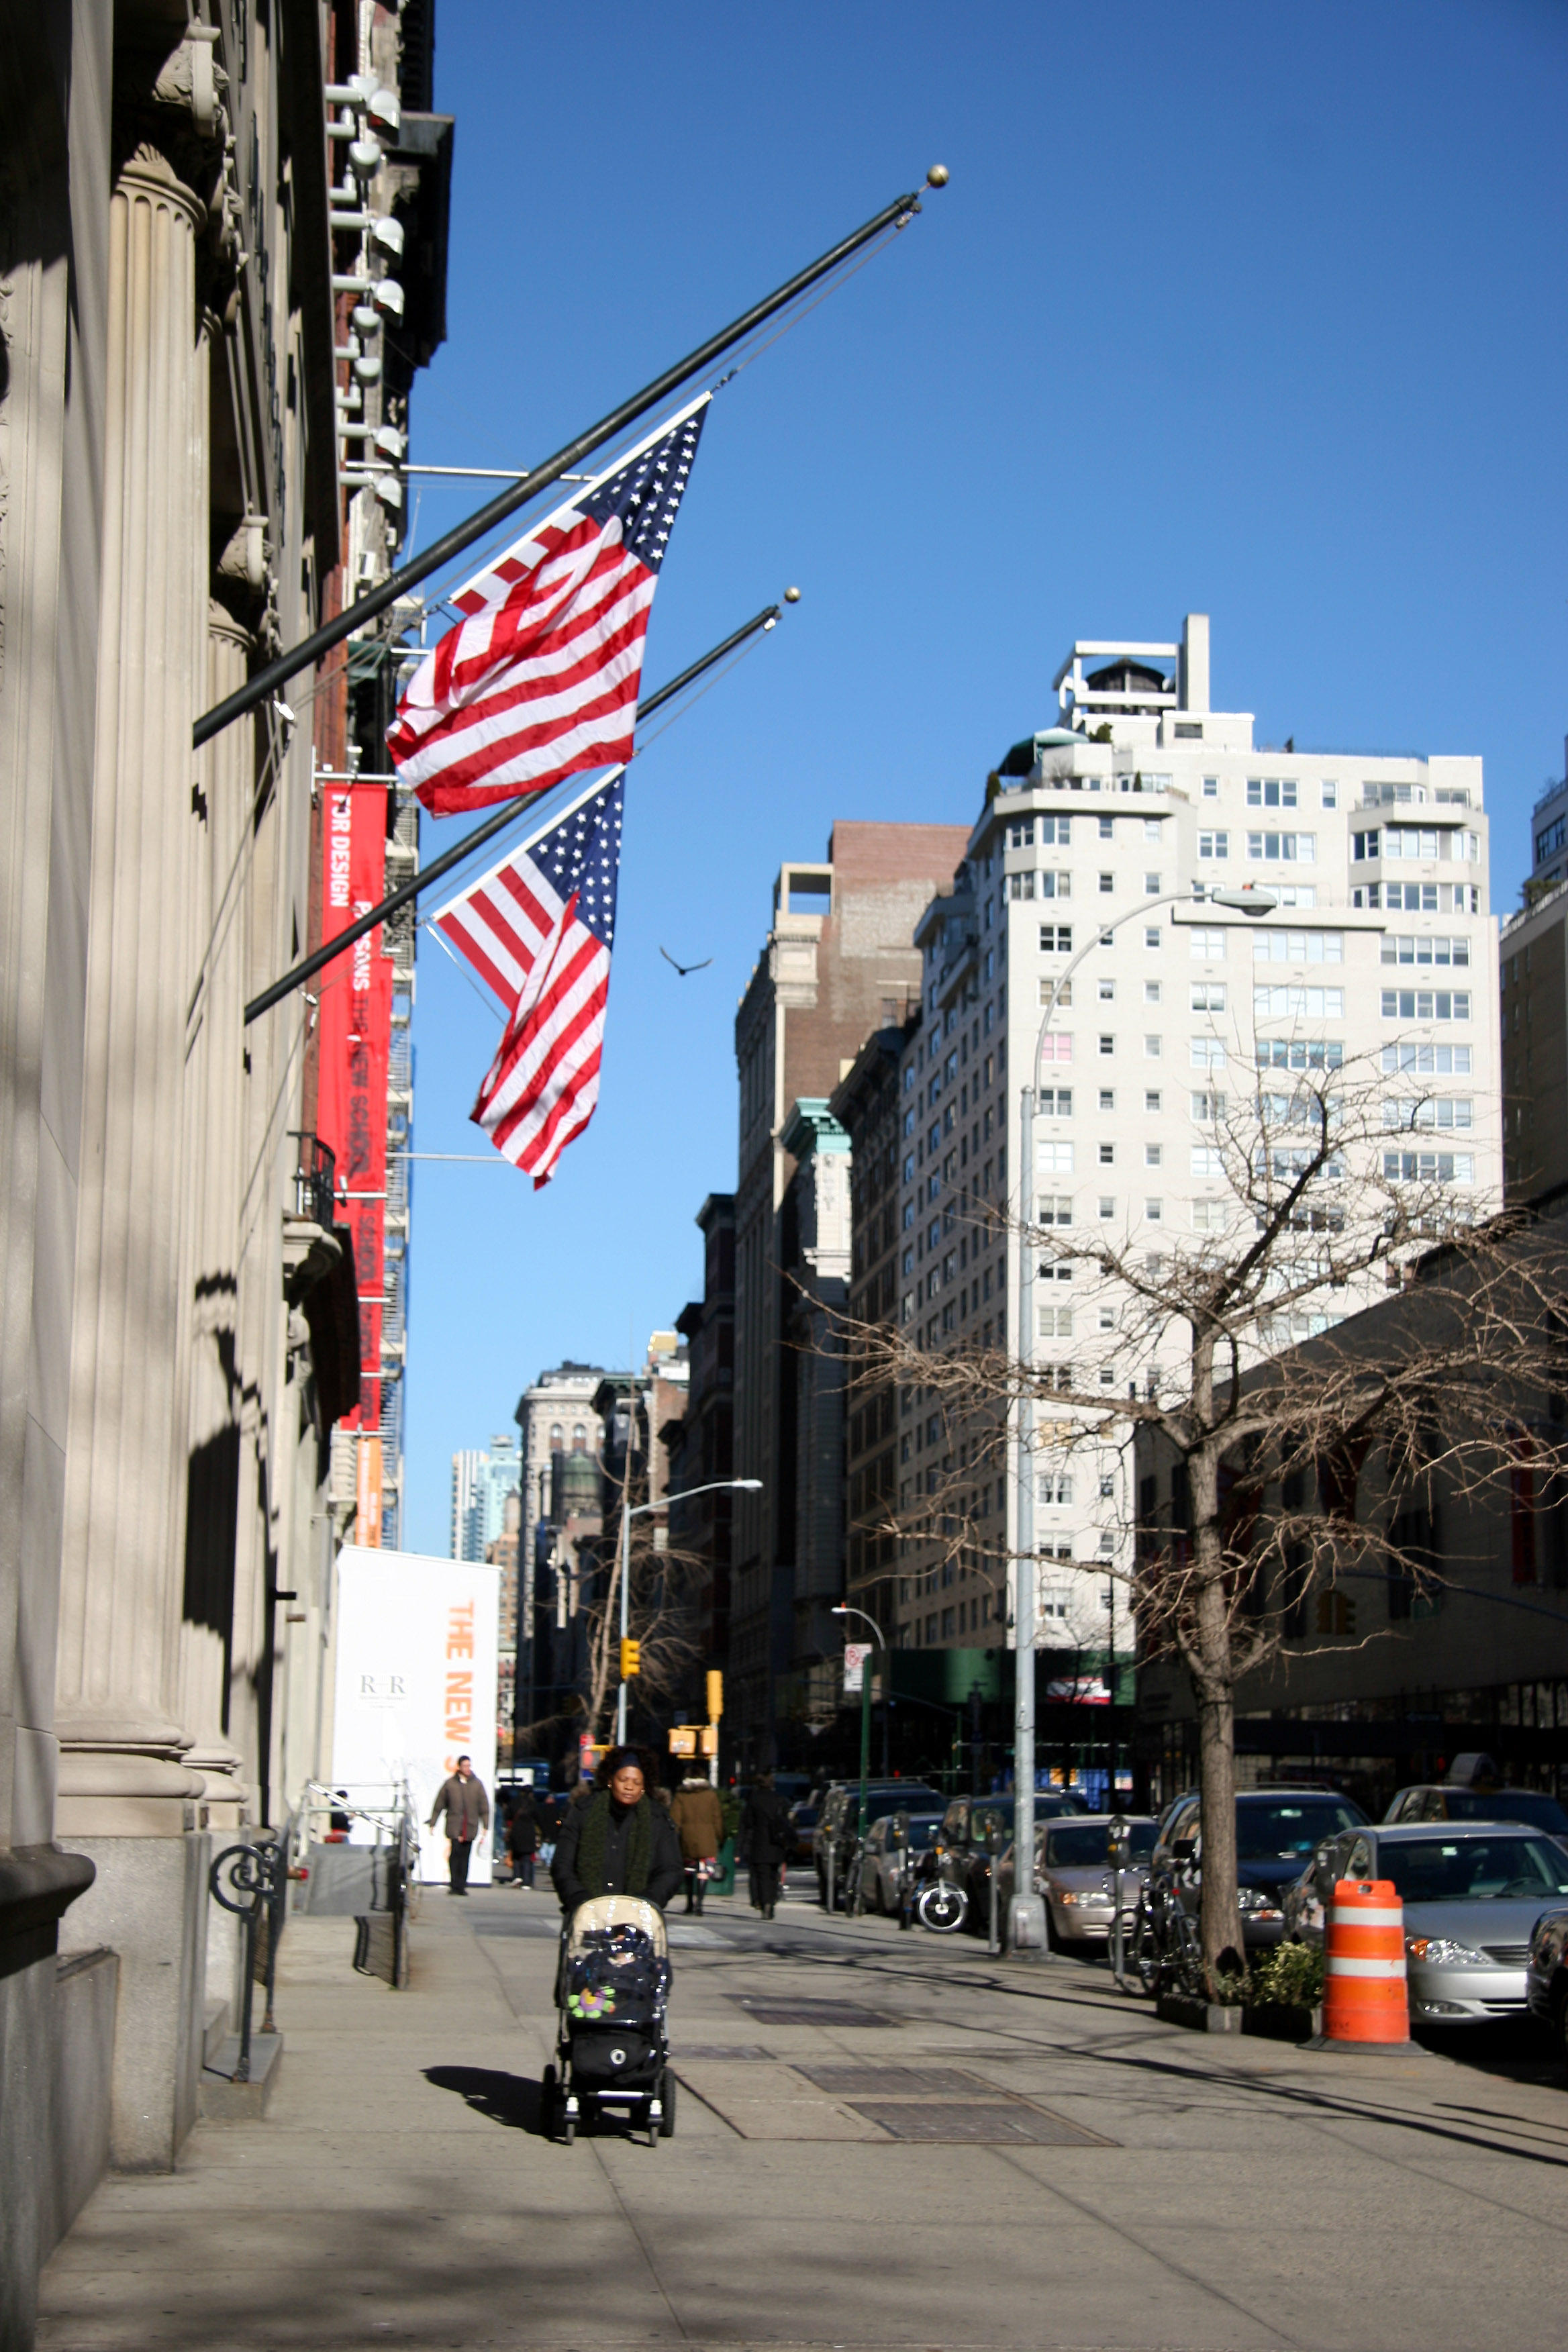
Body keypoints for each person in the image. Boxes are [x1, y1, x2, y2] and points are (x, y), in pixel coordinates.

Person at [550, 1747, 683, 1914]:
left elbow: (671, 1869)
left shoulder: (657, 1820)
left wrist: (648, 1901)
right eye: (623, 1779)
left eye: (636, 1782)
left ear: (644, 1787)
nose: (629, 1787)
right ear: (611, 1780)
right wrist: (578, 1898)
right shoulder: (583, 1812)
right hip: (585, 1914)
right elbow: (562, 1864)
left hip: (638, 1918)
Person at [428, 1755, 489, 1896]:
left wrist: (486, 1825)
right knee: (455, 1855)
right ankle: (454, 1884)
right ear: (459, 1767)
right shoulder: (450, 1784)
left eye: (469, 1766)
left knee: (465, 1857)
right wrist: (433, 1823)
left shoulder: (477, 1785)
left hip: (470, 1826)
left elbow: (484, 1806)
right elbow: (439, 1804)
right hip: (455, 1826)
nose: (468, 1769)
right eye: (465, 1766)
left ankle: (461, 1885)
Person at [669, 1769, 726, 1915]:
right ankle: (699, 1904)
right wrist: (721, 1837)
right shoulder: (710, 1796)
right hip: (707, 1838)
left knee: (688, 1870)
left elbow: (675, 1819)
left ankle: (689, 1903)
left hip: (687, 1838)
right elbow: (717, 1818)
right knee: (703, 1870)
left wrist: (672, 1837)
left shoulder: (681, 1796)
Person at [743, 1770, 793, 1919]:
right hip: (777, 1842)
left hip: (760, 1842)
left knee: (762, 1874)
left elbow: (748, 1823)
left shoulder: (754, 1800)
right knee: (773, 1874)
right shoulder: (779, 1800)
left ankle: (765, 1903)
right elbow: (786, 1822)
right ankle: (771, 1901)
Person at [506, 1784, 540, 1888]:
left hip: (516, 1831)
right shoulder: (533, 1804)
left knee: (516, 1855)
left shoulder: (514, 1802)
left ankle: (517, 1877)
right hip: (528, 1832)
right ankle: (526, 1881)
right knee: (526, 1857)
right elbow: (539, 1818)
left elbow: (507, 1815)